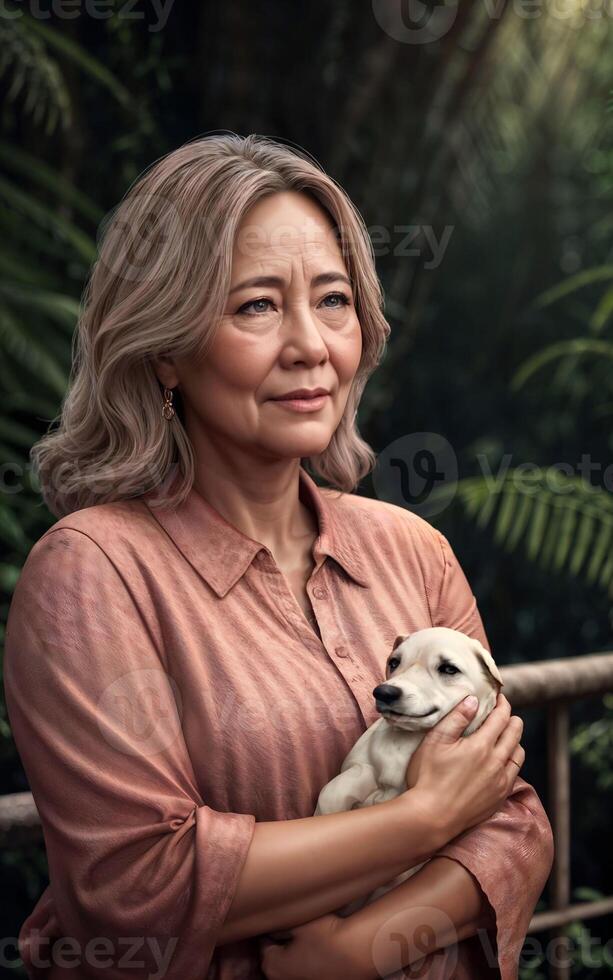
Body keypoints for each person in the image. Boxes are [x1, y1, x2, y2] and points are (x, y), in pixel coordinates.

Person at [3, 133, 553, 980]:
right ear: (163, 350)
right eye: (256, 306)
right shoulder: (92, 572)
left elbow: (512, 822)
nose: (310, 346)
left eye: (332, 301)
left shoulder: (412, 550)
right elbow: (133, 887)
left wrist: (353, 951)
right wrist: (420, 820)